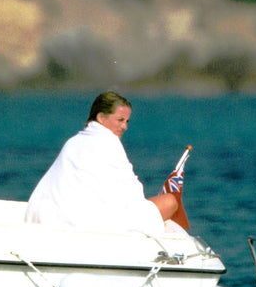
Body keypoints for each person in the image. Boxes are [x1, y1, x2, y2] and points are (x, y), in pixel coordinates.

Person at [25, 91, 178, 234]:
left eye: (127, 121)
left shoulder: (73, 141)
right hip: (88, 222)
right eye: (120, 120)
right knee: (170, 202)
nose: (125, 126)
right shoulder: (109, 141)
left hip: (53, 215)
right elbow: (132, 194)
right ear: (101, 118)